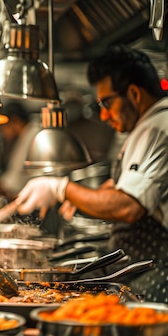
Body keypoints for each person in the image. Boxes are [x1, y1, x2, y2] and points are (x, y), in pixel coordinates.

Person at [14, 44, 168, 303]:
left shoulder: (157, 128)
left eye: (107, 103)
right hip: (146, 266)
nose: (104, 115)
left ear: (134, 93)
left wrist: (61, 188)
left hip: (159, 271)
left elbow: (128, 206)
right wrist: (82, 199)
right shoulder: (148, 127)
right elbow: (119, 188)